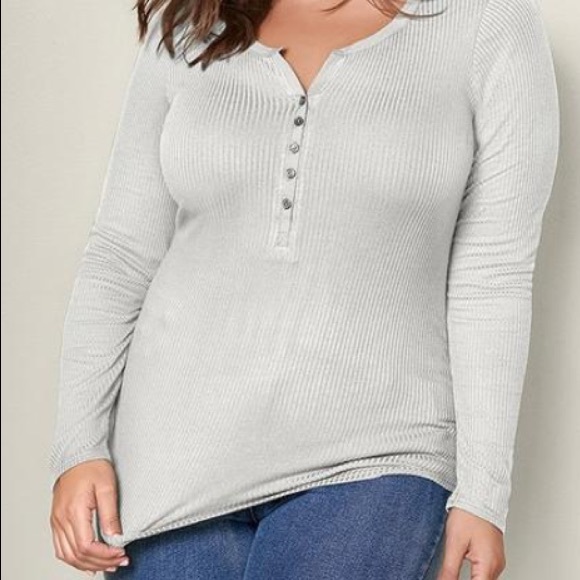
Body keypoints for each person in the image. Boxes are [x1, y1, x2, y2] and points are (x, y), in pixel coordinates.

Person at [48, 0, 560, 578]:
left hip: (378, 453)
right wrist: (79, 447)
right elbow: (120, 252)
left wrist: (483, 493)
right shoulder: (191, 21)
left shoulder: (486, 23)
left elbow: (493, 273)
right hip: (168, 462)